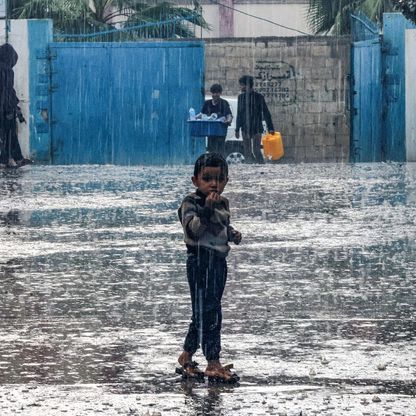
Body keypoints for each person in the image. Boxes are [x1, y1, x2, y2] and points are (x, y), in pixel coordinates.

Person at [177, 153, 242, 382]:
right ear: (195, 181)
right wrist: (205, 209)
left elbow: (223, 224)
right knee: (209, 312)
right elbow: (193, 230)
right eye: (207, 178)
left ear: (226, 181)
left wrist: (232, 234)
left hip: (218, 263)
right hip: (199, 261)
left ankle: (186, 355)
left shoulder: (222, 203)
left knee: (204, 312)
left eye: (219, 178)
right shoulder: (190, 203)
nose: (213, 184)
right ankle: (213, 361)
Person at [0, 43, 31, 168]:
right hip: (5, 108)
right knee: (9, 133)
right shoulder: (7, 70)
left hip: (4, 106)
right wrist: (12, 107)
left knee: (8, 134)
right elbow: (7, 90)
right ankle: (9, 159)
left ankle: (13, 159)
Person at [235, 75, 274, 164]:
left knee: (256, 150)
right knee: (247, 151)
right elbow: (239, 114)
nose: (240, 87)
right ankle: (249, 169)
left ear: (247, 85)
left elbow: (266, 113)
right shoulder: (241, 98)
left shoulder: (259, 97)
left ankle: (261, 166)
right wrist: (237, 129)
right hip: (245, 127)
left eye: (241, 85)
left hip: (256, 127)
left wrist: (270, 127)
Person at [201, 84, 232, 158]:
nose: (215, 94)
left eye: (217, 93)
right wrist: (194, 118)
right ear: (211, 93)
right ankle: (212, 165)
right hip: (211, 131)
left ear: (220, 93)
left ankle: (221, 165)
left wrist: (228, 121)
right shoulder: (207, 103)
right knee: (211, 149)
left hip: (221, 130)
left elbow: (229, 115)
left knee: (220, 149)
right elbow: (201, 114)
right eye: (213, 92)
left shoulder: (224, 103)